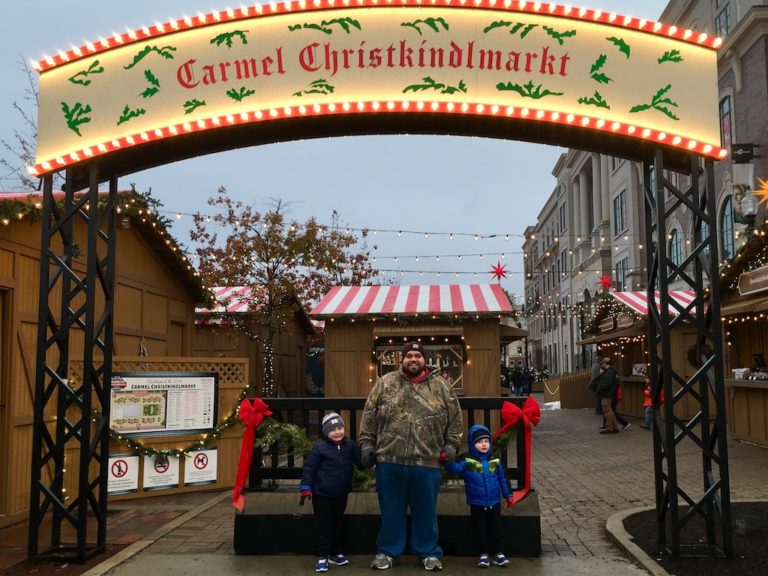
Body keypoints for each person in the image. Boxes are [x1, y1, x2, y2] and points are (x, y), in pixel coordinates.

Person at [359, 341, 463, 572]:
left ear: (425, 360)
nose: (413, 359)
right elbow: (368, 418)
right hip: (389, 461)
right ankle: (387, 552)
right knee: (391, 512)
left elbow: (455, 422)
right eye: (409, 356)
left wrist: (451, 446)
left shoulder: (441, 387)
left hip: (427, 462)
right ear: (401, 360)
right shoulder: (384, 384)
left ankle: (428, 552)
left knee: (426, 512)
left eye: (417, 355)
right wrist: (367, 445)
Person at [443, 425, 513, 568]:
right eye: (479, 442)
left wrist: (508, 495)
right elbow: (455, 469)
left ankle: (498, 553)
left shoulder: (495, 460)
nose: (483, 444)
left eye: (486, 441)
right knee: (480, 529)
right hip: (477, 503)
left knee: (495, 529)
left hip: (494, 502)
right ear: (472, 444)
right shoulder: (468, 461)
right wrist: (447, 460)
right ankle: (483, 554)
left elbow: (502, 479)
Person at [299, 412, 362, 572]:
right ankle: (322, 556)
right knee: (324, 525)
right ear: (326, 432)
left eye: (340, 428)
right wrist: (306, 486)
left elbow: (360, 462)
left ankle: (336, 553)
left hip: (341, 494)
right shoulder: (319, 448)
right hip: (322, 495)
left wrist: (368, 458)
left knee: (337, 523)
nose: (337, 432)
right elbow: (309, 468)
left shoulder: (350, 446)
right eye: (332, 429)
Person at [589, 357, 619, 434]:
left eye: (602, 363)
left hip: (606, 394)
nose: (601, 365)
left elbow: (607, 383)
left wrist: (599, 388)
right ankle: (614, 427)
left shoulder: (609, 372)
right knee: (609, 411)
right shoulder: (610, 371)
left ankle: (609, 428)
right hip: (609, 394)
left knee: (607, 411)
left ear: (606, 363)